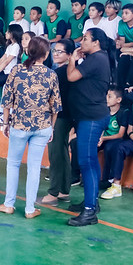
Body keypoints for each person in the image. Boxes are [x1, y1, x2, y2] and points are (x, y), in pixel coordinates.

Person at [0, 37, 60, 219]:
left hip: (20, 125)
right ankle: (30, 209)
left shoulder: (16, 71)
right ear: (46, 55)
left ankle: (9, 204)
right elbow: (55, 106)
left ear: (28, 52)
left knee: (13, 164)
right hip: (43, 126)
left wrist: (5, 123)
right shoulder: (51, 74)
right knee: (34, 167)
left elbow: (6, 101)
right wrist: (51, 128)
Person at [66, 28, 112, 226]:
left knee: (86, 162)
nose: (81, 42)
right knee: (90, 161)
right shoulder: (97, 58)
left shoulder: (97, 58)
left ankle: (89, 212)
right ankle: (91, 202)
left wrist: (72, 59)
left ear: (96, 43)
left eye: (86, 39)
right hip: (89, 116)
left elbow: (71, 77)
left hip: (92, 118)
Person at [41, 39, 76, 206]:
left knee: (55, 153)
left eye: (60, 51)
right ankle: (64, 191)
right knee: (62, 152)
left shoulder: (61, 73)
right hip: (67, 115)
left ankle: (53, 192)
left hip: (60, 117)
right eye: (55, 50)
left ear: (69, 55)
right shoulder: (65, 71)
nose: (55, 53)